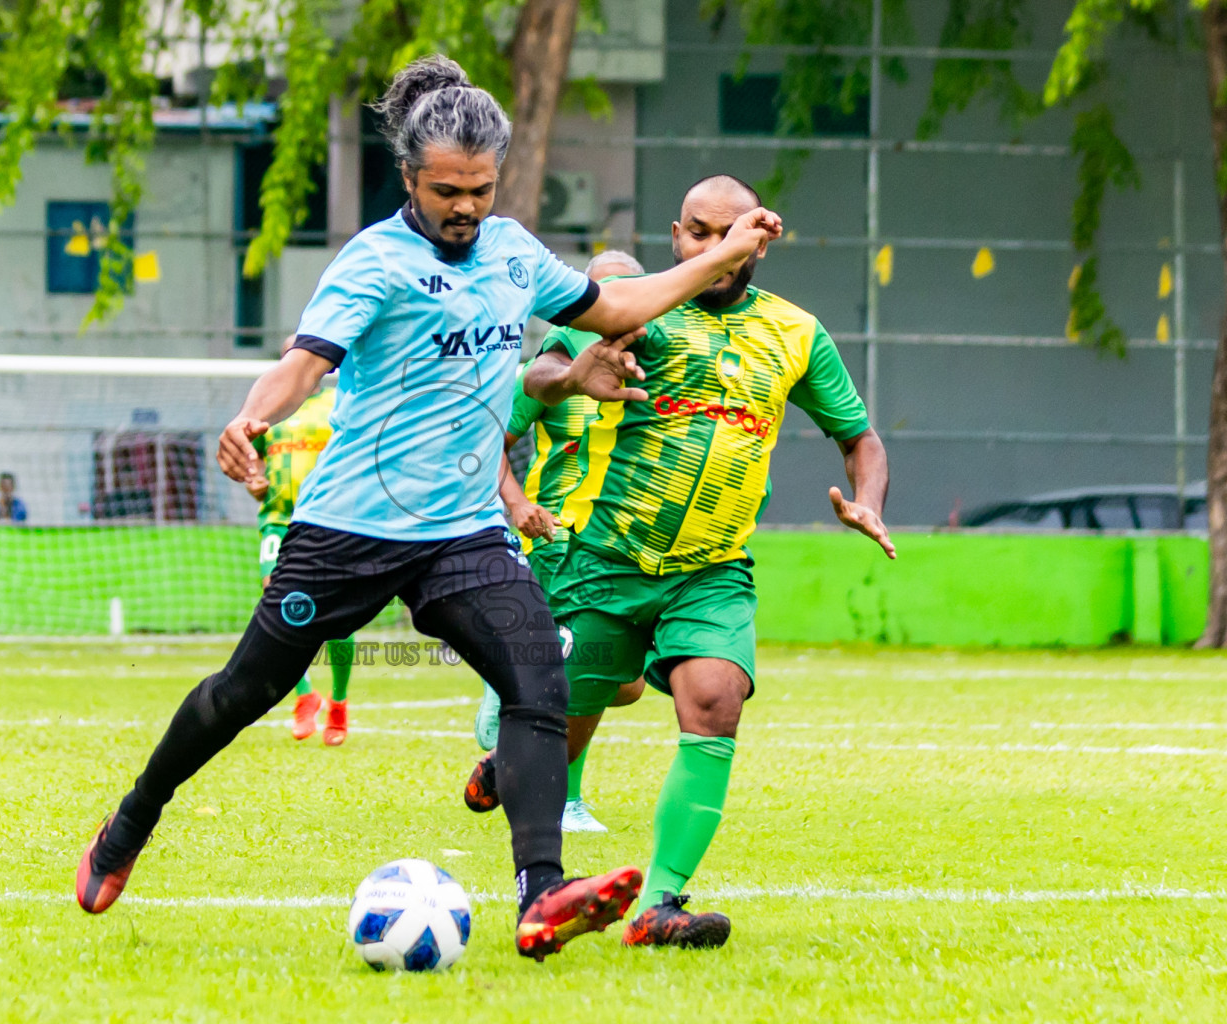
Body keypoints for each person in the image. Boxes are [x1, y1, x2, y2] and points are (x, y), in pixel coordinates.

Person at [75, 57, 782, 961]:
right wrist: (252, 417)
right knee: (244, 691)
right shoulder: (374, 261)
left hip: (461, 534)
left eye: (480, 190)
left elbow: (618, 306)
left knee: (540, 678)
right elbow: (304, 362)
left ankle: (542, 893)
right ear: (410, 177)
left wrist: (725, 254)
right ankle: (131, 821)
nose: (465, 207)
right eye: (447, 190)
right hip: (350, 529)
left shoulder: (515, 253)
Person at [466, 174, 893, 949]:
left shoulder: (796, 334)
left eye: (729, 233)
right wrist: (572, 376)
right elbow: (532, 381)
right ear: (676, 234)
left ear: (759, 238)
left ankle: (660, 903)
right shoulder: (635, 304)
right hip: (603, 560)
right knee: (563, 727)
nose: (713, 247)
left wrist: (870, 498)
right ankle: (516, 776)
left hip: (712, 568)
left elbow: (859, 435)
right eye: (697, 232)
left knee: (716, 700)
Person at [478, 250, 649, 835]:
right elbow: (490, 438)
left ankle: (505, 690)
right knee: (579, 670)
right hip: (560, 539)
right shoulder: (555, 362)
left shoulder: (652, 362)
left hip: (624, 544)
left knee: (626, 684)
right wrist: (519, 503)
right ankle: (565, 800)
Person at [247, 336, 358, 746]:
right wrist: (253, 477)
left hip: (330, 521)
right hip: (277, 521)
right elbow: (252, 453)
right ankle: (304, 696)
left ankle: (340, 701)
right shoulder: (270, 408)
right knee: (275, 603)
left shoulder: (339, 405)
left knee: (337, 615)